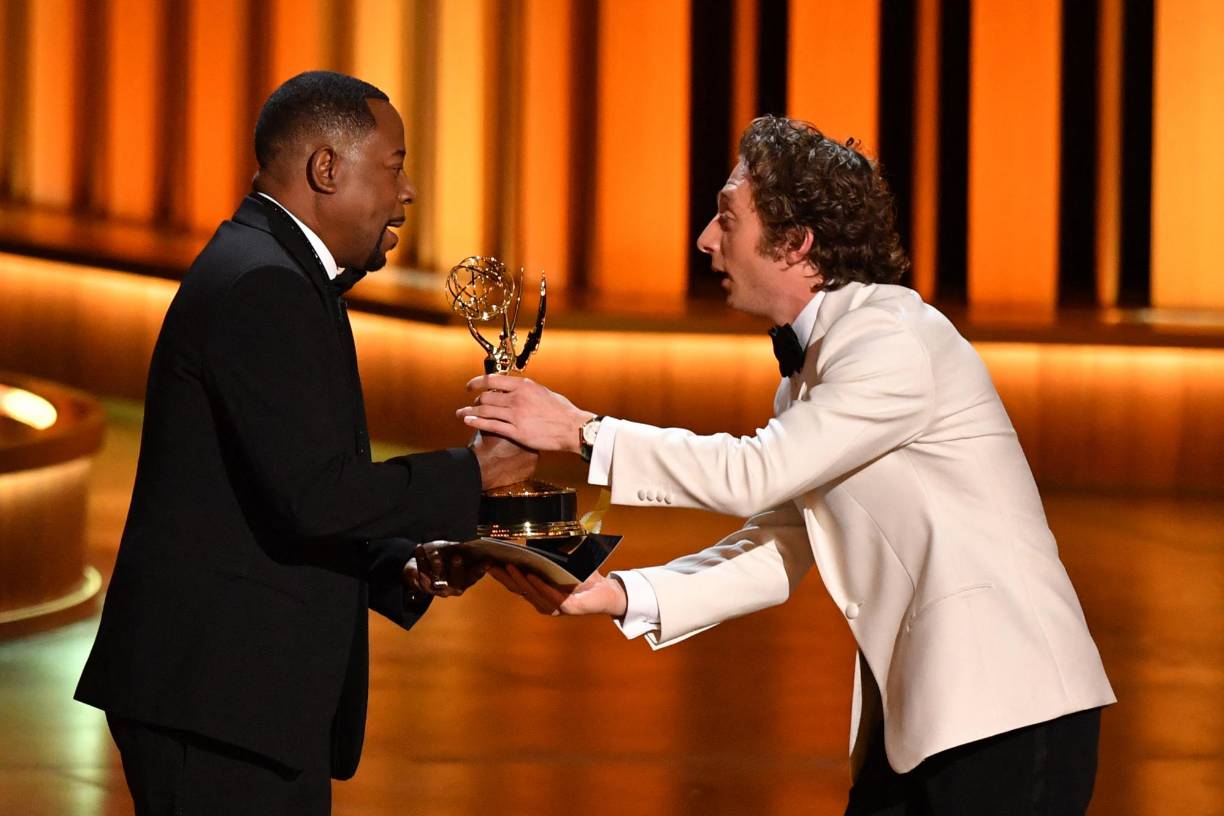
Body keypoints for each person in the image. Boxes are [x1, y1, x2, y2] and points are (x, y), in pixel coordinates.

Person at [459, 115, 1116, 815]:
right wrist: (622, 595)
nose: (706, 239)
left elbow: (757, 472)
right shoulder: (816, 370)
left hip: (1008, 711)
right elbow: (781, 541)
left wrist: (582, 432)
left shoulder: (891, 340)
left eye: (726, 217)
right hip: (933, 720)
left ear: (796, 243)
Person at [75, 71, 533, 815]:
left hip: (235, 699)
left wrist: (401, 565)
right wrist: (472, 476)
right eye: (394, 165)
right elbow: (314, 495)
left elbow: (274, 486)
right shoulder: (265, 284)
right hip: (218, 699)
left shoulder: (270, 267)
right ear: (327, 168)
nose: (408, 191)